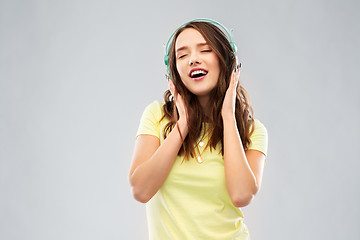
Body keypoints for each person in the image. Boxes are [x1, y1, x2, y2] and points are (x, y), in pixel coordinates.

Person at [129, 18, 268, 239]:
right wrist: (183, 124)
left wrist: (228, 117)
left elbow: (241, 195)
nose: (193, 60)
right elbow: (141, 190)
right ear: (174, 71)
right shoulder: (156, 116)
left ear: (228, 63)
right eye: (182, 55)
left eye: (205, 50)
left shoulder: (252, 131)